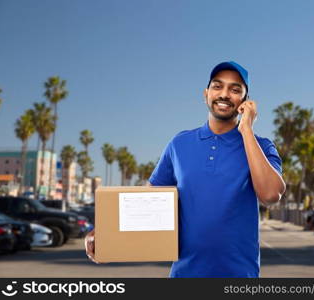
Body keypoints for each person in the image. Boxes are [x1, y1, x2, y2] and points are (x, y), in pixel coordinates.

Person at [85, 61, 286, 278]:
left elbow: (270, 195)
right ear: (206, 94)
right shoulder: (179, 144)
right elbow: (148, 199)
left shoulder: (261, 146)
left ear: (245, 102)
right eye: (218, 86)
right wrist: (106, 232)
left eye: (235, 89)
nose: (225, 94)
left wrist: (246, 129)